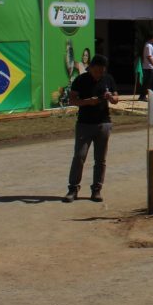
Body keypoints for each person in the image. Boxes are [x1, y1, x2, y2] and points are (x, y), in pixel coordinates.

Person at [63, 54, 119, 203]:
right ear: (91, 68)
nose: (99, 74)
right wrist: (88, 101)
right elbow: (72, 99)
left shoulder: (108, 79)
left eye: (102, 71)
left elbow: (116, 99)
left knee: (100, 159)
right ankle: (73, 189)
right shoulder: (81, 80)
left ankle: (96, 190)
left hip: (103, 124)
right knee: (79, 157)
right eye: (97, 71)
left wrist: (111, 98)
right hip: (84, 125)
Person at [140, 33, 153, 101]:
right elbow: (149, 57)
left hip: (151, 67)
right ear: (152, 38)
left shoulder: (149, 45)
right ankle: (142, 96)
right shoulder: (148, 46)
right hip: (149, 67)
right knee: (147, 83)